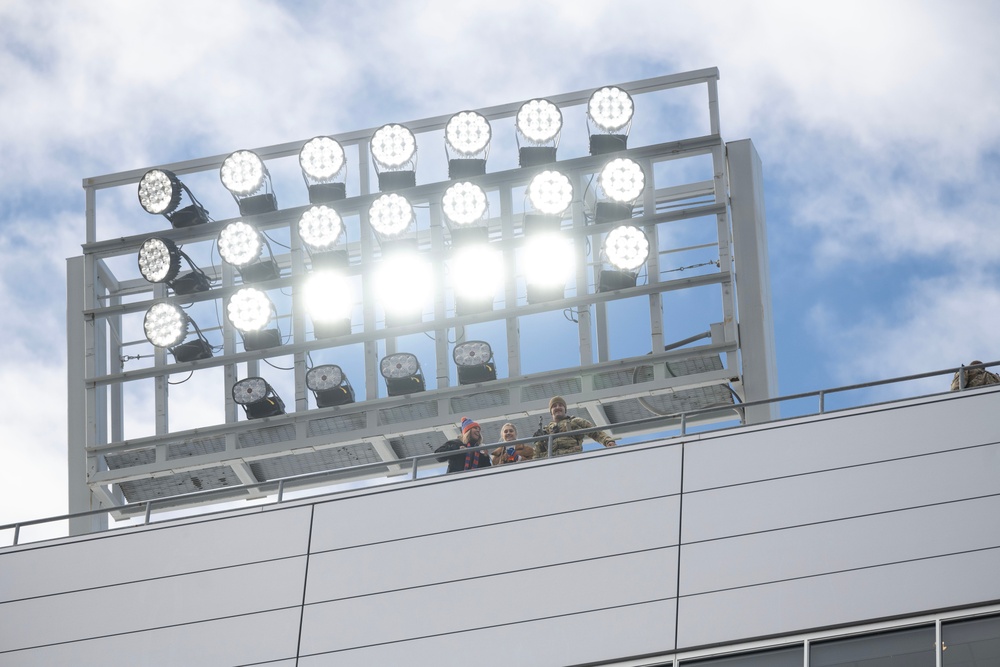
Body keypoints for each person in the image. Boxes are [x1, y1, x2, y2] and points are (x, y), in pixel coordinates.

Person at [533, 396, 616, 459]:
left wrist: (607, 441)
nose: (557, 407)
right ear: (551, 411)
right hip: (552, 460)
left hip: (572, 457)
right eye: (554, 406)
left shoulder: (575, 421)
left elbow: (595, 432)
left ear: (565, 409)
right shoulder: (546, 431)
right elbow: (536, 453)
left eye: (560, 405)